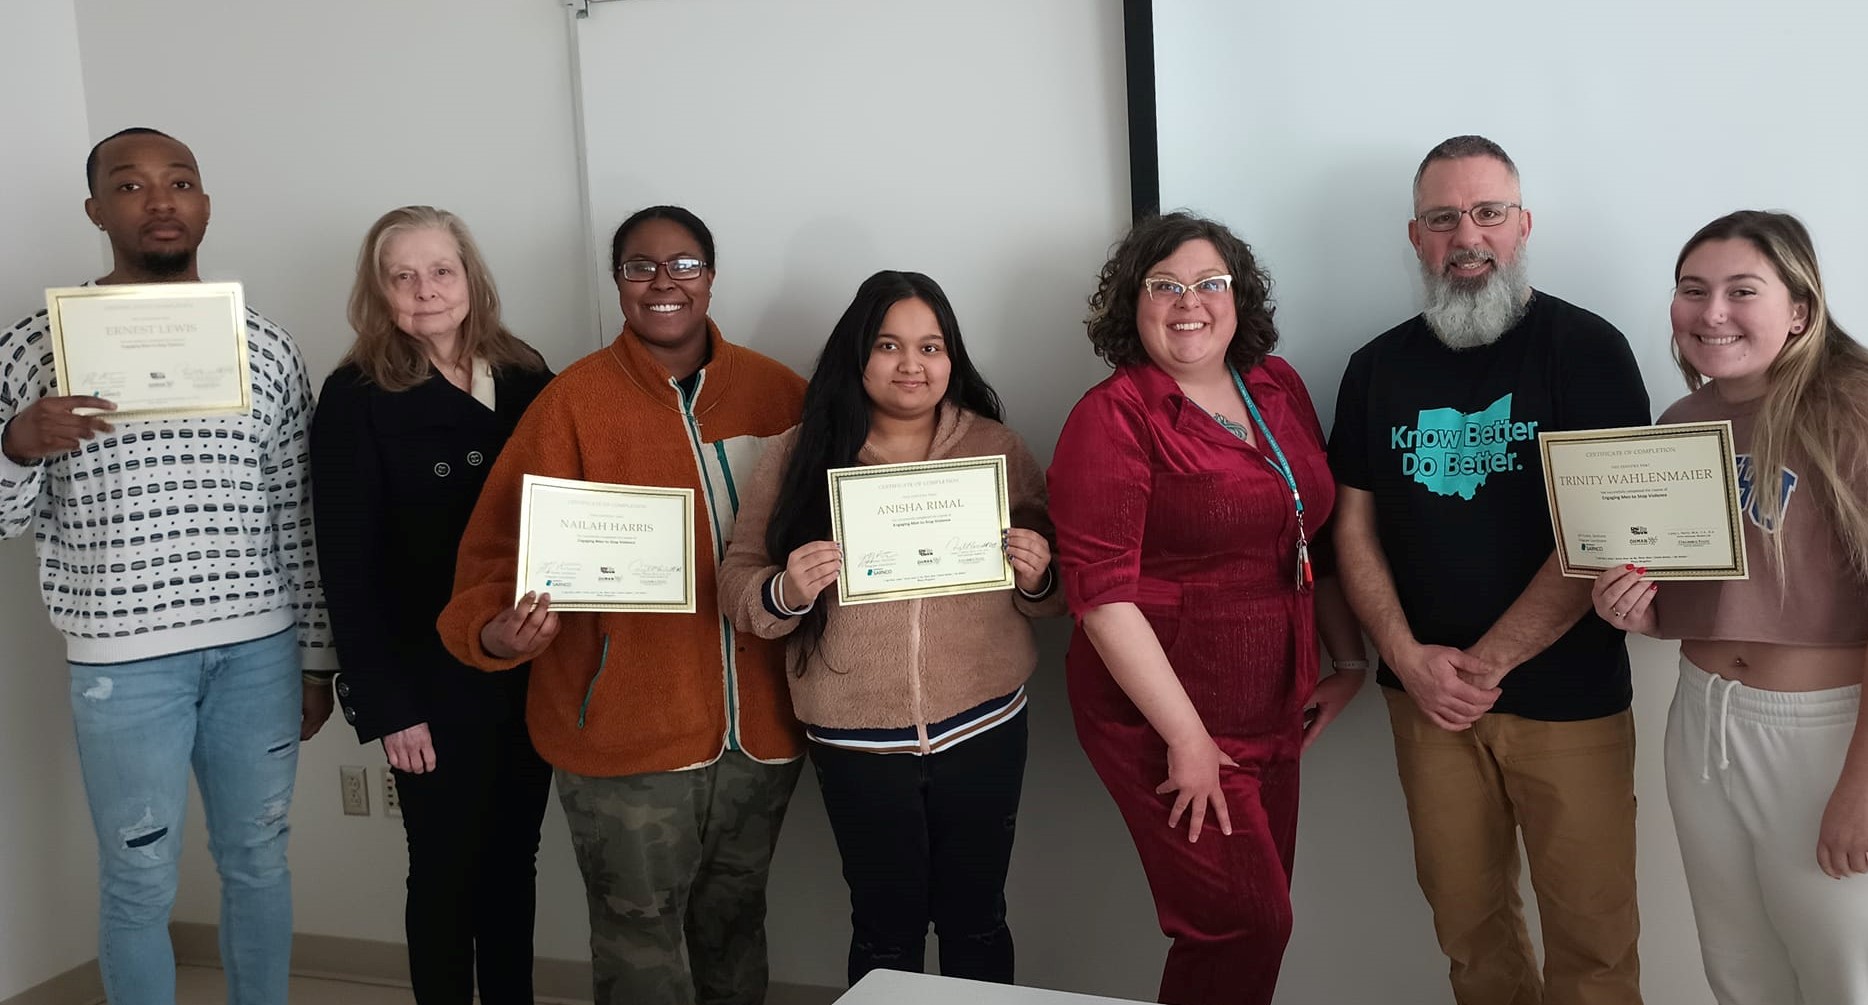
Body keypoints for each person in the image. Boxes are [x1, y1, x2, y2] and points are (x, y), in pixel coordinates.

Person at [436, 205, 806, 1005]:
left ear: (710, 276)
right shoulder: (572, 403)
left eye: (683, 265)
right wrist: (497, 633)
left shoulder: (780, 395)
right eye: (641, 266)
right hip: (622, 739)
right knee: (638, 944)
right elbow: (493, 560)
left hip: (764, 734)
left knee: (736, 925)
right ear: (618, 283)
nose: (663, 282)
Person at [0, 127, 333, 1005]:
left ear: (206, 204)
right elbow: (4, 518)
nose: (160, 200)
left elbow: (298, 511)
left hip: (258, 650)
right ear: (96, 208)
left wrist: (315, 656)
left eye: (180, 181)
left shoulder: (263, 346)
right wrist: (15, 447)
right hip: (122, 661)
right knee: (139, 879)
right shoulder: (36, 348)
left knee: (258, 858)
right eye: (132, 184)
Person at [1328, 135, 1652, 1004]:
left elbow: (1600, 529)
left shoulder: (1586, 349)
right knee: (1470, 938)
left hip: (1569, 700)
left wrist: (1488, 663)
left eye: (1487, 212)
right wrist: (1404, 657)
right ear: (1415, 235)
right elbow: (1351, 527)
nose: (1465, 234)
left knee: (1594, 945)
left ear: (1523, 224)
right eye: (1442, 217)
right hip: (1426, 702)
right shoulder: (1375, 368)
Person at [1047, 212, 1366, 1005]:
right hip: (1165, 717)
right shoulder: (1111, 416)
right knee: (1240, 925)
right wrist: (1186, 739)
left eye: (1208, 283)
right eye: (1164, 286)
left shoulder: (1276, 385)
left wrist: (1348, 657)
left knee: (1261, 920)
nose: (1189, 302)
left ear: (1237, 297)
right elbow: (1101, 598)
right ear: (1133, 304)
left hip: (1274, 700)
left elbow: (1306, 531)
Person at [718, 270, 1063, 986]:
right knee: (885, 927)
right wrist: (785, 589)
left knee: (978, 918)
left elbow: (1053, 588)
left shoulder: (995, 446)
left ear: (951, 357)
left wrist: (1039, 574)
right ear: (857, 354)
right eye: (889, 344)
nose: (913, 364)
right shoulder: (796, 453)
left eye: (931, 346)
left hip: (985, 722)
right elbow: (738, 579)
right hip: (855, 736)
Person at [1595, 210, 1868, 1003]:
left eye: (1741, 290)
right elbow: (1704, 594)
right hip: (1701, 716)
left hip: (1820, 730)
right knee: (1738, 967)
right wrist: (1638, 611)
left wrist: (1862, 783)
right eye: (1692, 290)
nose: (1711, 312)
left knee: (1840, 969)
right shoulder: (1684, 422)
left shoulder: (1851, 408)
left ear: (1800, 310)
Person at [310, 205, 555, 1004]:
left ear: (470, 277)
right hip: (425, 678)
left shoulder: (525, 375)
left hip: (526, 664)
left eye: (440, 270)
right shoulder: (354, 396)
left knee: (514, 861)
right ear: (377, 291)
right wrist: (388, 706)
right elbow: (346, 567)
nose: (425, 290)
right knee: (445, 866)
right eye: (402, 275)